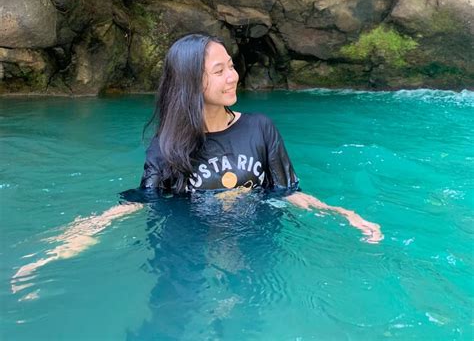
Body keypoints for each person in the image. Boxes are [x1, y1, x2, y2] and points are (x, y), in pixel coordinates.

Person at [12, 33, 382, 292]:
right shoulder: (167, 146)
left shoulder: (261, 128)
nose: (233, 76)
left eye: (231, 66)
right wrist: (53, 255)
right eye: (219, 71)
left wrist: (344, 215)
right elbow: (138, 206)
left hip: (255, 245)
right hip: (192, 248)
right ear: (191, 83)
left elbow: (288, 193)